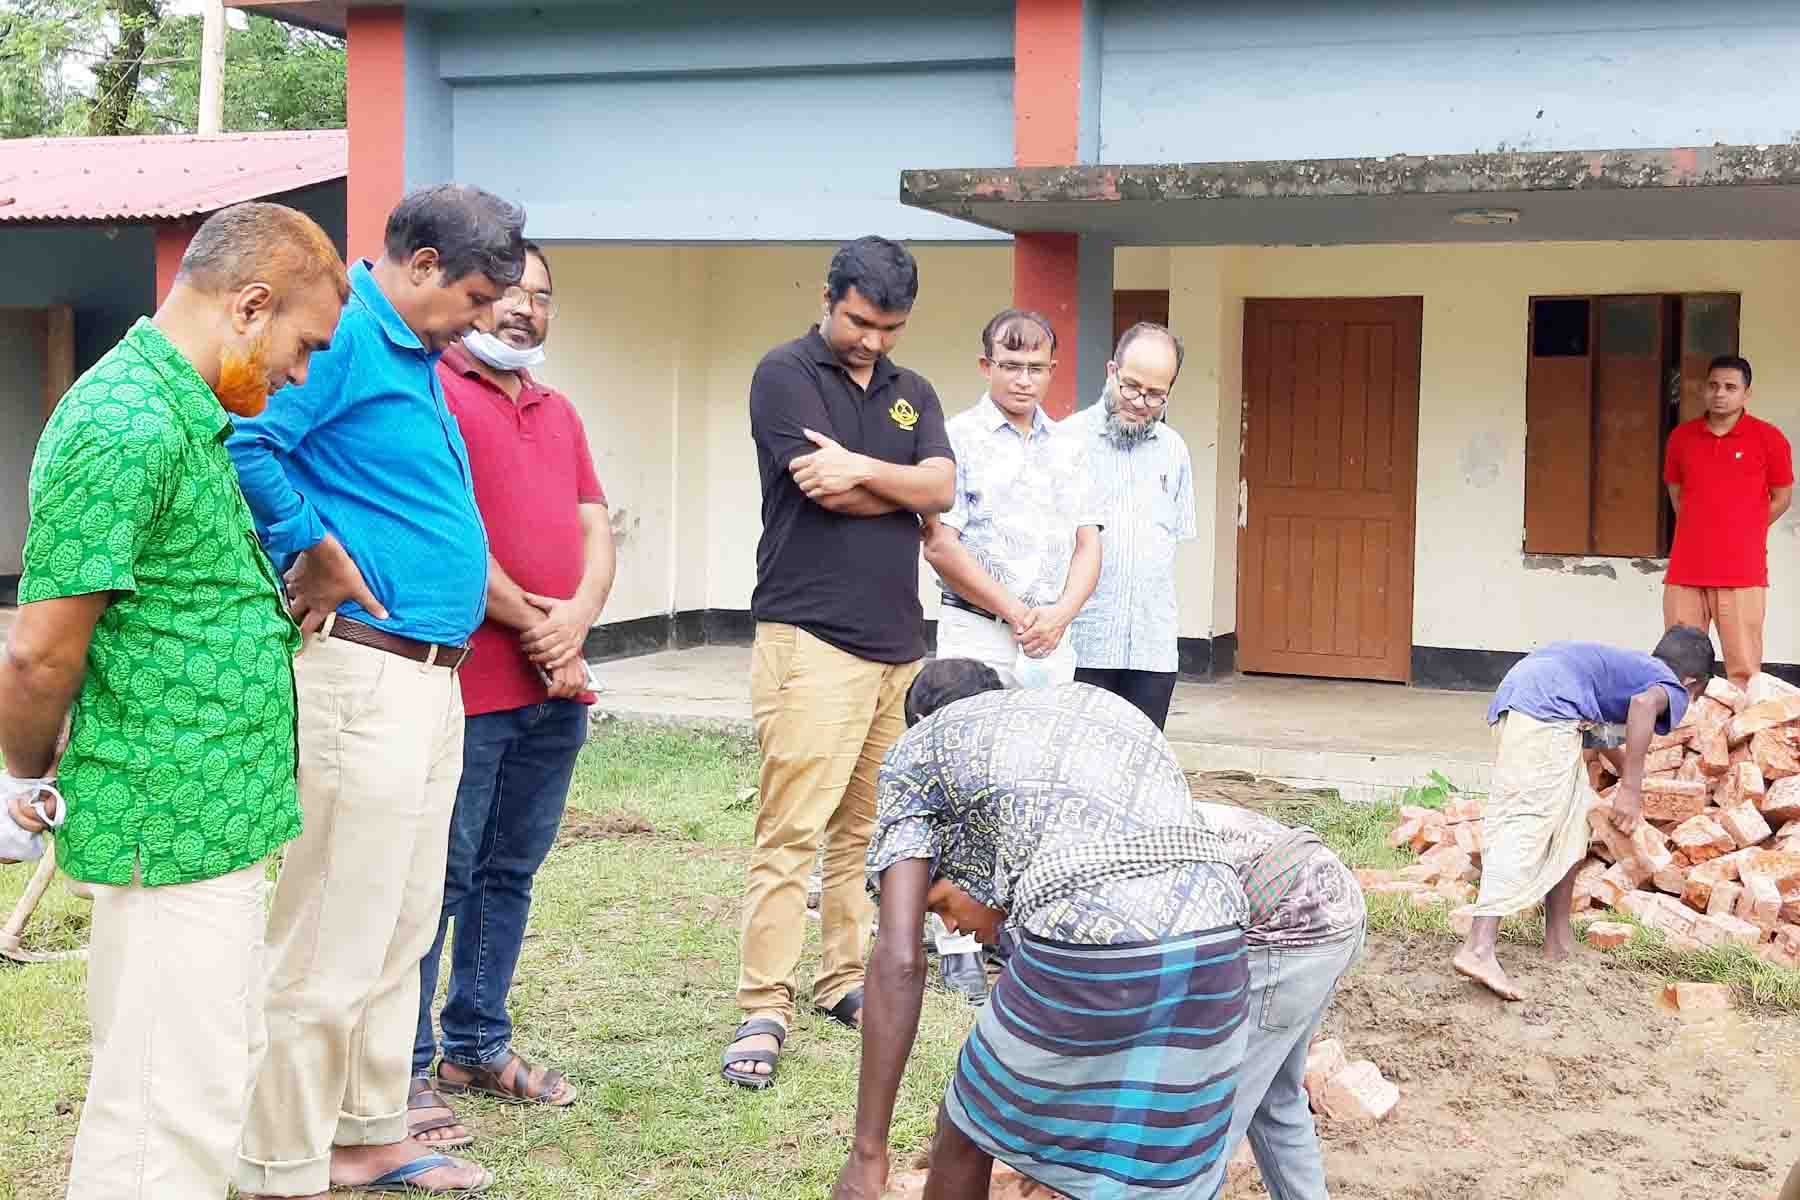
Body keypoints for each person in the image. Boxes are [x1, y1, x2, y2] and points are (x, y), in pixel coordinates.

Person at [0, 202, 347, 1197]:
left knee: (196, 1088)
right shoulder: (125, 422)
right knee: (161, 1121)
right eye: (302, 344)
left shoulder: (185, 411)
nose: (301, 373)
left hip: (214, 822)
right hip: (169, 823)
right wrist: (21, 782)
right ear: (249, 305)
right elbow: (38, 656)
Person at [229, 184, 527, 1199]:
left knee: (400, 922)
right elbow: (247, 439)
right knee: (329, 933)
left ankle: (364, 1130)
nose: (489, 318)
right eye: (480, 295)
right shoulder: (348, 335)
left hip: (430, 677)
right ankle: (280, 1159)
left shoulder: (416, 353)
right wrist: (306, 546)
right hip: (363, 670)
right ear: (425, 264)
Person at [833, 662, 1250, 1200]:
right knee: (1157, 1164)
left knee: (966, 1123)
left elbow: (900, 958)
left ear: (917, 721)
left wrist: (868, 1154)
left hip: (1091, 946)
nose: (951, 924)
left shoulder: (919, 749)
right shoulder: (1090, 707)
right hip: (1221, 939)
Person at [722, 236, 955, 1089]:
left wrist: (866, 469)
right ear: (830, 298)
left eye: (890, 328)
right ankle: (763, 1005)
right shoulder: (784, 374)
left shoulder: (912, 391)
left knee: (865, 832)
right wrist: (900, 485)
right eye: (860, 321)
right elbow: (821, 487)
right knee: (791, 829)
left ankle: (840, 978)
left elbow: (942, 488)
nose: (873, 341)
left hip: (899, 647)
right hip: (811, 639)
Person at [407, 242, 614, 1147]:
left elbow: (594, 529)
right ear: (472, 298)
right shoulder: (433, 393)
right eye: (511, 295)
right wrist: (540, 631)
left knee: (508, 874)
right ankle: (406, 1068)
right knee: (440, 878)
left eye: (544, 297)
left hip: (554, 691)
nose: (527, 311)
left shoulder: (559, 409)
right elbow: (453, 536)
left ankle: (477, 1045)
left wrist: (575, 625)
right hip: (469, 680)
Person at [1455, 627, 1713, 1002]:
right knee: (1526, 826)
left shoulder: (1627, 670)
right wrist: (1631, 788)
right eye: (1695, 696)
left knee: (1573, 823)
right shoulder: (1668, 684)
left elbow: (1602, 738)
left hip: (1529, 696)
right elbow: (1643, 706)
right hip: (1546, 708)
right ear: (1692, 682)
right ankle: (1478, 948)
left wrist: (1629, 773)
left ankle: (1558, 940)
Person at [1193, 800, 1367, 1200]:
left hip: (1293, 927)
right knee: (1276, 1097)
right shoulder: (1134, 803)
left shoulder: (1102, 858)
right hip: (1336, 906)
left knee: (1207, 1124)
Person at [922, 308, 1101, 690]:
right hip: (977, 636)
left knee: (1043, 749)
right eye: (1010, 366)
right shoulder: (955, 439)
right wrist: (1018, 614)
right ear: (986, 367)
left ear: (1052, 370)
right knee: (973, 747)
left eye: (1035, 368)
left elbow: (1088, 544)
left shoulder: (1071, 448)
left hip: (1051, 642)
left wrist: (1061, 616)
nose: (1023, 380)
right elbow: (939, 546)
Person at [1064, 322, 1196, 730]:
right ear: (1111, 372)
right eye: (1131, 386)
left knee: (1139, 777)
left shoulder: (1174, 451)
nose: (1140, 402)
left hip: (1151, 653)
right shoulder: (1064, 443)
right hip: (1080, 647)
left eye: (1156, 395)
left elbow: (1168, 544)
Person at [1663, 354, 1793, 687]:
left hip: (1742, 571)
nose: (1720, 393)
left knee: (1744, 670)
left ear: (1746, 394)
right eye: (1714, 386)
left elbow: (1781, 498)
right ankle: (1682, 735)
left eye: (1730, 387)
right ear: (1705, 389)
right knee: (1678, 667)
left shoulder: (1768, 438)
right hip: (1687, 570)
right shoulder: (1682, 438)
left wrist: (1744, 531)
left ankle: (1742, 739)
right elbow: (1677, 495)